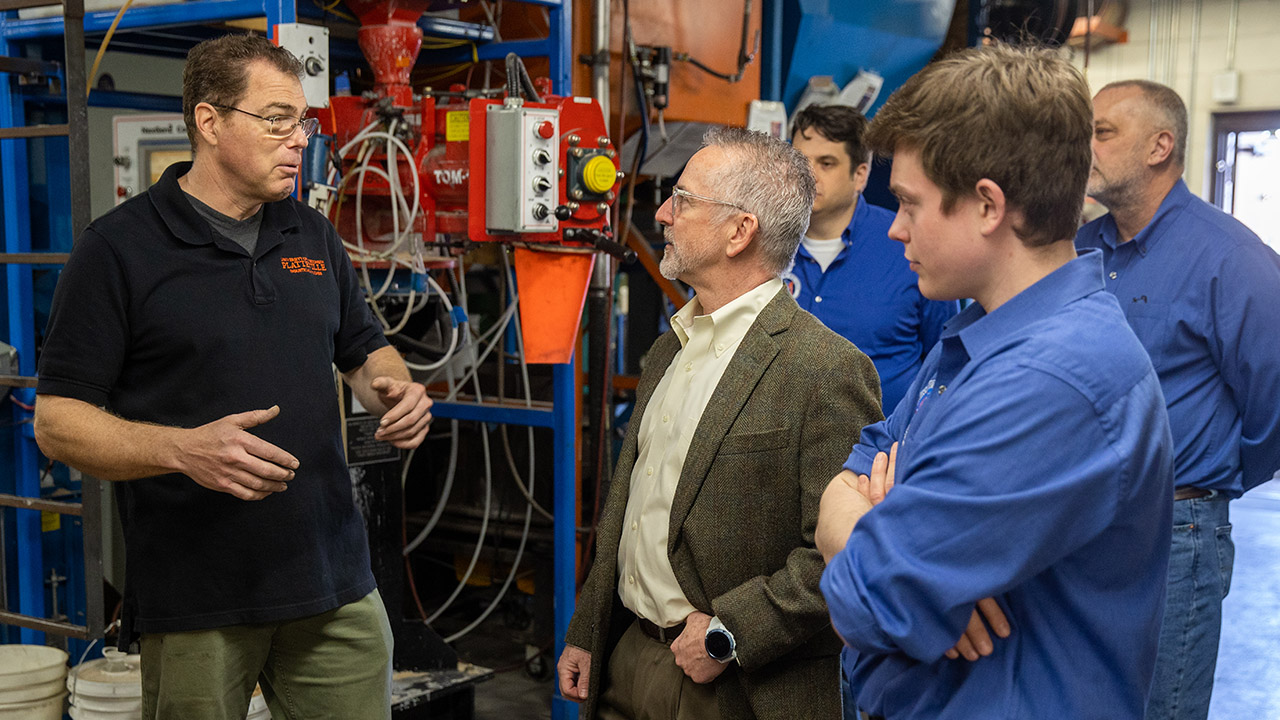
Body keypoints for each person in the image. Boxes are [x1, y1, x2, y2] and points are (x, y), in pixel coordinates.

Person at [32, 34, 432, 720]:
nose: (297, 139)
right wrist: (179, 449)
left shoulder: (312, 235)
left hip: (334, 583)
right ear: (209, 122)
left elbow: (364, 351)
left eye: (302, 121)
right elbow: (57, 422)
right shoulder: (117, 250)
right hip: (199, 597)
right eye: (275, 119)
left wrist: (393, 388)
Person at [814, 44, 1175, 720]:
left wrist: (853, 525)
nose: (893, 230)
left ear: (987, 205)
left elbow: (864, 604)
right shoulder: (980, 335)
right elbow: (856, 464)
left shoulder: (1052, 381)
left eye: (911, 204)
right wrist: (861, 516)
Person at [556, 127, 883, 720]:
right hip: (627, 654)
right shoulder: (667, 351)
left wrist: (730, 632)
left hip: (734, 682)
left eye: (682, 199)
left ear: (740, 231)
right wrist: (588, 627)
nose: (661, 214)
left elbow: (841, 555)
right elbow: (630, 512)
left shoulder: (825, 370)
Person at [1077, 79, 1280, 720]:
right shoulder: (1079, 252)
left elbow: (1273, 402)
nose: (1086, 146)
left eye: (1102, 132)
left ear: (1159, 146)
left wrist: (1205, 481)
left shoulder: (1233, 259)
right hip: (1074, 523)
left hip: (1176, 533)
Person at [787, 104, 958, 412]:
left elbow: (945, 361)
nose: (807, 176)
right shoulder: (762, 244)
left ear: (860, 175)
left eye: (826, 163)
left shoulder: (909, 245)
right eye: (800, 161)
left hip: (881, 447)